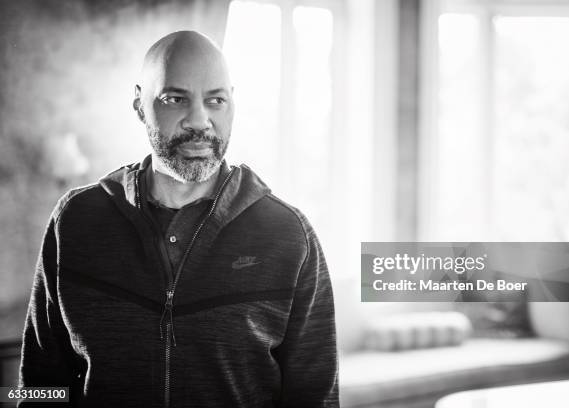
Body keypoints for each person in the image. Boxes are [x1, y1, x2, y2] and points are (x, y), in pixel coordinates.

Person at [19, 31, 338, 408]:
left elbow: (314, 398)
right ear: (140, 105)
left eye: (215, 100)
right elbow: (39, 386)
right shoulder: (75, 222)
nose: (199, 121)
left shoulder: (289, 236)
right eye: (175, 99)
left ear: (233, 103)